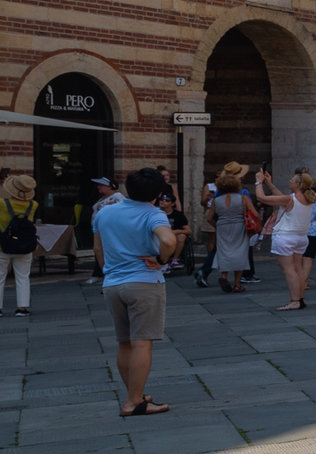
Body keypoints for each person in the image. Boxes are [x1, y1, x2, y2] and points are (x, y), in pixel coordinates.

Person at [98, 167, 184, 417]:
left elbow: (98, 247)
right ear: (158, 193)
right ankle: (133, 402)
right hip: (143, 282)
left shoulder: (105, 212)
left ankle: (134, 395)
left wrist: (108, 271)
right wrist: (162, 259)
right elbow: (169, 241)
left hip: (113, 283)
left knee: (124, 343)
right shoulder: (153, 214)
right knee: (142, 343)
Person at [253, 169, 316, 311]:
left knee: (289, 270)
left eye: (292, 179)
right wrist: (270, 184)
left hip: (285, 237)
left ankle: (294, 300)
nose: (289, 181)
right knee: (298, 269)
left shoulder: (290, 199)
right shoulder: (308, 197)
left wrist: (258, 182)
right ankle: (300, 299)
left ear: (298, 184)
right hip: (301, 238)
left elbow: (262, 198)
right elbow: (282, 198)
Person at [0, 173, 38, 317]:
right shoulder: (33, 205)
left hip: (0, 243)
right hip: (24, 244)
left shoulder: (1, 203)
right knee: (23, 277)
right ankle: (22, 308)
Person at [205, 165, 254, 295]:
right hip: (239, 225)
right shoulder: (243, 198)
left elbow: (209, 218)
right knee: (240, 252)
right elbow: (253, 213)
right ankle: (237, 284)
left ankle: (224, 276)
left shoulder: (217, 199)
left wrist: (217, 225)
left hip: (222, 226)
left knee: (223, 251)